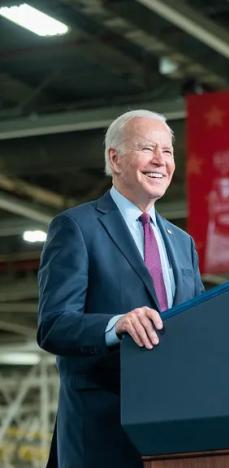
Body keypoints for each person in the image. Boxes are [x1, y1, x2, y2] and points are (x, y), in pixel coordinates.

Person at [36, 109, 205, 468]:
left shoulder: (183, 242)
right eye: (147, 148)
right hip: (102, 435)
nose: (161, 160)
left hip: (175, 433)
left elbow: (199, 326)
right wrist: (117, 325)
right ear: (114, 158)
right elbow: (53, 324)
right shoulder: (76, 227)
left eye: (168, 151)